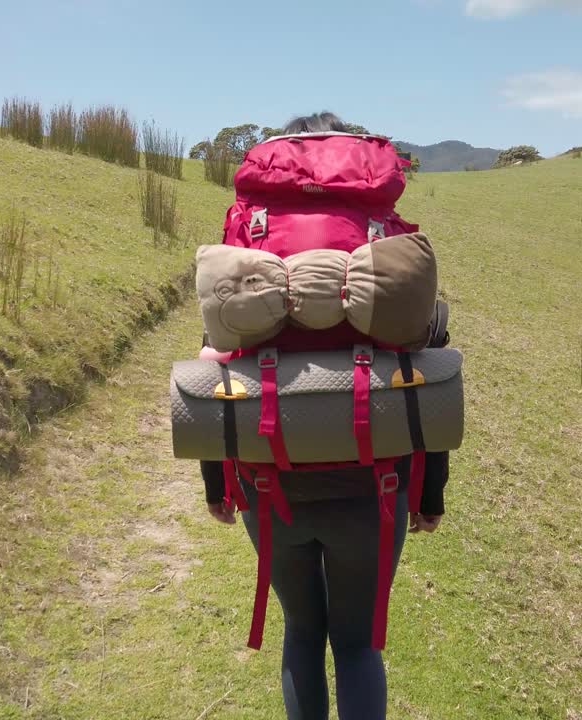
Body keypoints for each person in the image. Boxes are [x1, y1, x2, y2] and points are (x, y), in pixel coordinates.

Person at [199, 112, 449, 720]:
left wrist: (215, 485)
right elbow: (429, 372)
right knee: (358, 644)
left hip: (269, 482)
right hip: (377, 484)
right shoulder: (383, 237)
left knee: (303, 634)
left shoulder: (250, 235)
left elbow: (215, 368)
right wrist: (431, 494)